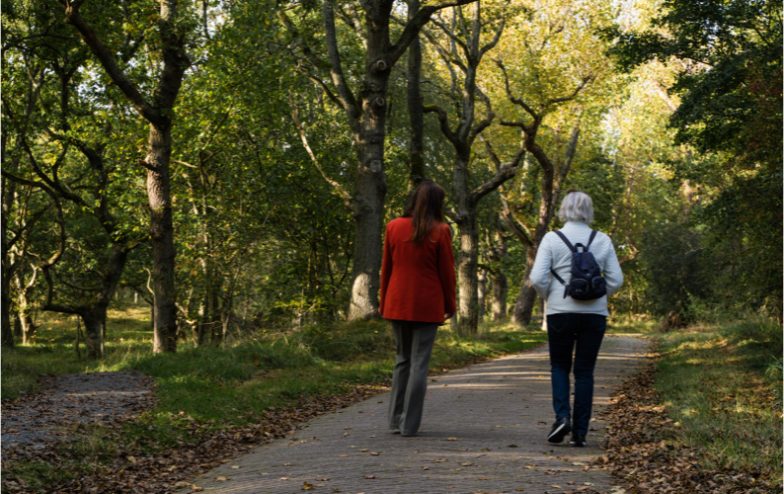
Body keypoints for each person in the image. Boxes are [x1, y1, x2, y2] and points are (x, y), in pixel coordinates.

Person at [529, 190, 623, 447]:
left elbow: (537, 278)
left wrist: (552, 295)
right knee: (584, 372)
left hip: (560, 312)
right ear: (589, 210)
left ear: (564, 209)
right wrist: (599, 297)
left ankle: (561, 417)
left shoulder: (552, 238)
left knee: (559, 366)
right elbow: (616, 280)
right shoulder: (602, 239)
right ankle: (580, 432)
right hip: (594, 316)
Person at [379, 179, 456, 437]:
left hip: (397, 302)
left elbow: (386, 269)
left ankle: (394, 419)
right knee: (419, 364)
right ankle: (409, 425)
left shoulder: (393, 227)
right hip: (427, 304)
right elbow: (447, 273)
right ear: (437, 204)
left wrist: (383, 303)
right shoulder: (441, 230)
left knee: (402, 360)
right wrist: (450, 305)